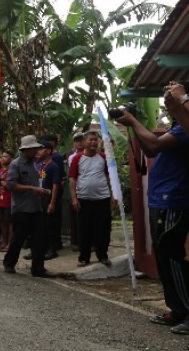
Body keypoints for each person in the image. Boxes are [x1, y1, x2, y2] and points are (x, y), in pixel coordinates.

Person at [116, 82, 189, 335]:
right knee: (165, 257)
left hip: (174, 199)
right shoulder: (177, 127)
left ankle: (186, 310)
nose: (168, 102)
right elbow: (150, 149)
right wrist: (133, 124)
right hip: (161, 199)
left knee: (173, 255)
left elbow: (155, 145)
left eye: (172, 98)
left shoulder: (184, 128)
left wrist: (133, 121)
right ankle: (177, 309)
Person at [2, 135, 56, 278]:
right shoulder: (15, 164)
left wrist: (43, 191)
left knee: (40, 239)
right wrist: (32, 189)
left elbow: (37, 183)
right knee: (18, 238)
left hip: (37, 207)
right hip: (21, 209)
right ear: (25, 150)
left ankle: (38, 268)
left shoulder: (37, 164)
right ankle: (9, 262)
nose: (36, 151)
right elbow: (11, 185)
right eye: (33, 149)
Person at [68, 131, 113, 267]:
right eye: (90, 140)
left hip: (102, 198)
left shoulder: (103, 157)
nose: (93, 142)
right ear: (84, 142)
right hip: (84, 199)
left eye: (95, 140)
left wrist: (113, 195)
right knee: (84, 230)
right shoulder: (77, 158)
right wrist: (74, 198)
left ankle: (102, 255)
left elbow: (109, 177)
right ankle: (84, 257)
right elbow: (72, 179)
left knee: (103, 229)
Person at [37, 142, 61, 260]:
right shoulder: (39, 165)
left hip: (48, 198)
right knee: (40, 225)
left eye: (41, 149)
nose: (39, 151)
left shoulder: (53, 166)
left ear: (48, 151)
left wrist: (52, 202)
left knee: (50, 224)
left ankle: (52, 250)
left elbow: (55, 185)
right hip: (39, 198)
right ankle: (41, 249)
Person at [0, 151, 13, 252]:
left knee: (9, 222)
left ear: (11, 158)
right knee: (1, 221)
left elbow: (12, 185)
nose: (2, 158)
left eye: (5, 156)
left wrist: (2, 182)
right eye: (2, 156)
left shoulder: (12, 170)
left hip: (9, 199)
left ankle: (10, 243)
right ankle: (4, 242)